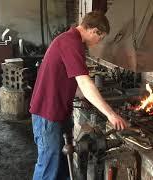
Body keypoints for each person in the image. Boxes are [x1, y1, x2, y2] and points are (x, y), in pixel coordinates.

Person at [29, 11, 128, 180]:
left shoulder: (71, 41)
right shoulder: (70, 42)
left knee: (60, 165)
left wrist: (83, 97)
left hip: (57, 112)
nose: (99, 42)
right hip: (47, 114)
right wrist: (110, 114)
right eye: (101, 37)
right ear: (94, 31)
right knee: (48, 167)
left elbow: (73, 81)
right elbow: (84, 82)